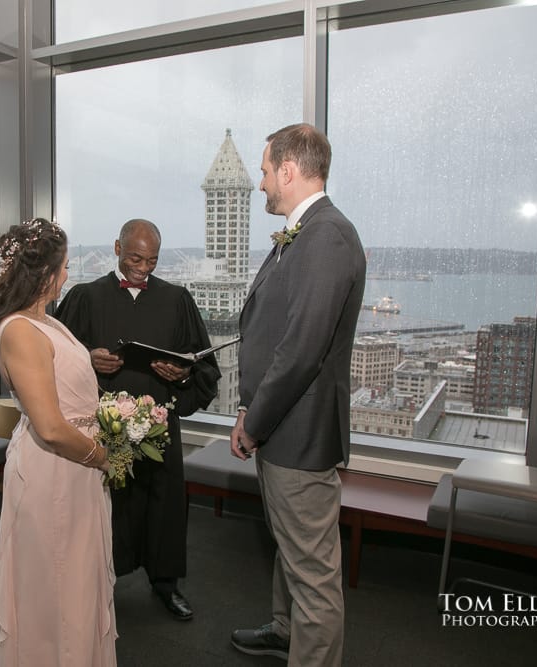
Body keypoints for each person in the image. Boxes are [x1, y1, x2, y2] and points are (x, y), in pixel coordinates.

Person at [229, 124, 366, 666]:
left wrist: (254, 422)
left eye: (264, 171)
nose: (261, 183)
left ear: (288, 170)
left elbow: (302, 350)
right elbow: (272, 332)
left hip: (298, 434)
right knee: (290, 549)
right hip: (282, 427)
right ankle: (287, 632)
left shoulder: (325, 236)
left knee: (314, 575)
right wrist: (249, 407)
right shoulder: (301, 233)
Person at [56, 219, 221, 621]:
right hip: (102, 428)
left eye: (151, 260)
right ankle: (98, 584)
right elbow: (53, 357)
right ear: (116, 248)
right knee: (106, 507)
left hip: (160, 425)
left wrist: (181, 374)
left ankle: (166, 585)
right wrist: (87, 358)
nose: (143, 268)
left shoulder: (178, 299)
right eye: (134, 257)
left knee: (165, 505)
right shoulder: (83, 297)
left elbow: (203, 365)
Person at [0, 218, 117, 666]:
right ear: (44, 274)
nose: (67, 275)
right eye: (63, 266)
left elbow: (61, 376)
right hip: (55, 468)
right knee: (55, 582)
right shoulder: (19, 330)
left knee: (76, 580)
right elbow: (52, 427)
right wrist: (102, 457)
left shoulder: (47, 323)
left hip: (75, 470)